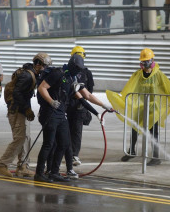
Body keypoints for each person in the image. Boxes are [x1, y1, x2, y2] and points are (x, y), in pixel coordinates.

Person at [34, 54, 112, 183]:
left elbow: (85, 97)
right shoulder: (58, 73)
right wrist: (51, 101)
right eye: (76, 67)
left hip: (61, 114)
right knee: (48, 144)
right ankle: (39, 173)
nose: (78, 70)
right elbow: (42, 87)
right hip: (50, 112)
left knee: (64, 143)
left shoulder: (72, 79)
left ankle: (54, 172)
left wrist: (102, 107)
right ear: (71, 65)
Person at [106, 48, 170, 166]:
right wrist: (122, 98)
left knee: (153, 132)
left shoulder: (159, 75)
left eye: (146, 61)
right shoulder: (138, 75)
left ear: (152, 61)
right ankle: (132, 151)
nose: (144, 64)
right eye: (142, 62)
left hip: (153, 108)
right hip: (140, 107)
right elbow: (130, 87)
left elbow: (169, 89)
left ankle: (156, 157)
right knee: (135, 129)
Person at [0, 53, 51, 178]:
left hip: (22, 111)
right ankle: (2, 164)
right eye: (45, 66)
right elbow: (17, 93)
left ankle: (23, 167)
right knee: (20, 138)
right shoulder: (27, 76)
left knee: (26, 138)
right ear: (38, 64)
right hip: (17, 111)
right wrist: (27, 109)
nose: (45, 69)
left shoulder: (31, 73)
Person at [67, 46, 94, 166]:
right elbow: (90, 92)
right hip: (73, 106)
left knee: (74, 131)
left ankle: (73, 155)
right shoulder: (67, 73)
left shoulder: (85, 72)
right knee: (73, 132)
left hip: (77, 106)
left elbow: (89, 92)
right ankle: (72, 155)